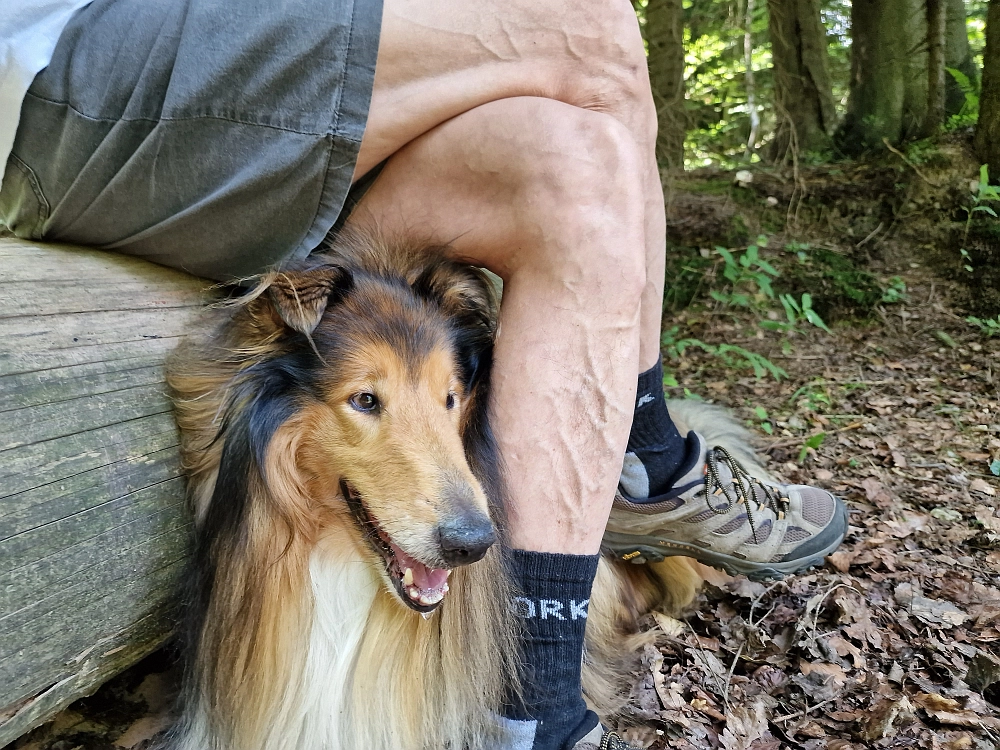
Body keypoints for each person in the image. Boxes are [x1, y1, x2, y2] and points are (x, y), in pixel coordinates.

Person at [0, 1, 848, 748]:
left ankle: (535, 709)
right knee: (593, 26)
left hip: (193, 83)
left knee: (579, 165)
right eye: (366, 400)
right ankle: (650, 459)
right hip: (54, 67)